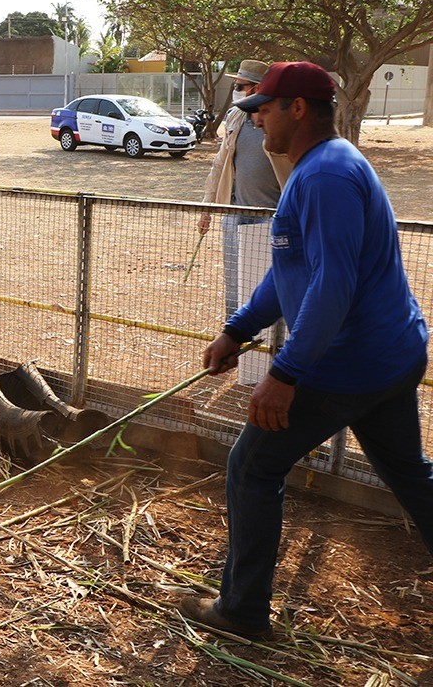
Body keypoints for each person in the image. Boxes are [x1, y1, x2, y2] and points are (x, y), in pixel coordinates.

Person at [183, 61, 433, 640]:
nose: (256, 119)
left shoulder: (324, 177)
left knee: (252, 466)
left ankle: (241, 611)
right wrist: (240, 329)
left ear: (298, 109)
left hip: (349, 362)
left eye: (264, 108)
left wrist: (287, 371)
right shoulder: (318, 168)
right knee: (408, 473)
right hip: (390, 355)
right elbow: (291, 267)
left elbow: (333, 285)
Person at [197, 60, 292, 317]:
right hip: (234, 213)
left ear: (258, 88)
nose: (236, 90)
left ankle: (268, 345)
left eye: (240, 85)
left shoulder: (280, 121)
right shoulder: (235, 116)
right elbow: (219, 164)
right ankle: (233, 333)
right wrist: (207, 207)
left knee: (264, 284)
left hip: (269, 218)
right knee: (234, 281)